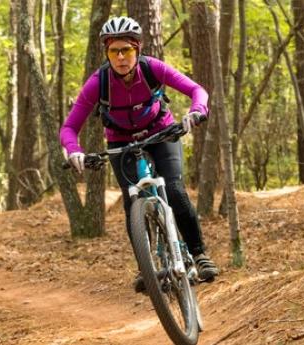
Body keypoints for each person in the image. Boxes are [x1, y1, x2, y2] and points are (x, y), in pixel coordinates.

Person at [59, 16, 219, 293]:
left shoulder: (152, 68)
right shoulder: (98, 83)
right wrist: (74, 151)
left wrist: (197, 109)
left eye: (127, 50)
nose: (121, 57)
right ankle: (146, 266)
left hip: (161, 133)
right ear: (107, 53)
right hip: (121, 143)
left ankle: (199, 253)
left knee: (175, 190)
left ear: (138, 49)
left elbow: (196, 90)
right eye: (114, 51)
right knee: (132, 205)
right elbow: (70, 127)